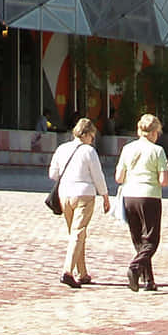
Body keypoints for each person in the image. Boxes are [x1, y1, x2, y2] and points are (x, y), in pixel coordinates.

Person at [115, 113, 168, 292]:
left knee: (138, 240)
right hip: (149, 196)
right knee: (151, 240)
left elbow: (119, 177)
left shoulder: (127, 149)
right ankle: (135, 267)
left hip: (129, 196)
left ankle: (148, 279)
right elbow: (163, 181)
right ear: (153, 132)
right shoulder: (157, 151)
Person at [48, 118, 110, 288]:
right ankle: (67, 271)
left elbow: (53, 173)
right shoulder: (88, 151)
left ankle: (82, 273)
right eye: (92, 136)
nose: (93, 139)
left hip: (64, 194)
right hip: (84, 194)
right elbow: (98, 176)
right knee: (79, 233)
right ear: (88, 134)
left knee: (75, 234)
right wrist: (104, 195)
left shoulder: (62, 149)